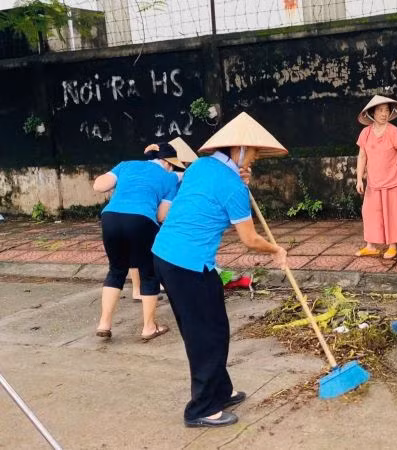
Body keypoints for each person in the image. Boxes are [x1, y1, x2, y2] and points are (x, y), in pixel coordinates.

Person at [151, 112, 288, 428]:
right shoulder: (233, 187)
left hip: (169, 255)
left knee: (211, 329)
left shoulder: (201, 166)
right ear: (238, 149)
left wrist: (236, 182)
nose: (253, 160)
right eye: (252, 153)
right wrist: (277, 250)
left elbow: (202, 193)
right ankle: (200, 409)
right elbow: (250, 240)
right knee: (206, 335)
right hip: (186, 264)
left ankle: (220, 391)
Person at [92, 143, 184, 341]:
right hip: (141, 220)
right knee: (149, 273)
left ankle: (104, 323)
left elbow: (99, 185)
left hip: (110, 217)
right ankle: (149, 327)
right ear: (169, 163)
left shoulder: (126, 165)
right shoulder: (170, 179)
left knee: (116, 270)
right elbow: (160, 215)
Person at [131, 138, 197, 301]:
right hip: (152, 217)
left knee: (137, 253)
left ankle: (141, 288)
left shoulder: (142, 171)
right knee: (149, 252)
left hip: (137, 215)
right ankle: (145, 287)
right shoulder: (173, 176)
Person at [354, 95, 397, 259]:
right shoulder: (365, 133)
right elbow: (362, 157)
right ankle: (371, 246)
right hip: (373, 182)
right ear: (372, 113)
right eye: (380, 110)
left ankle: (393, 246)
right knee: (370, 212)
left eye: (386, 110)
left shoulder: (395, 132)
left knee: (392, 213)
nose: (384, 114)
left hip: (394, 181)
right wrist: (359, 179)